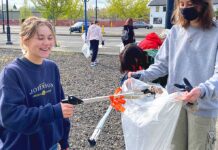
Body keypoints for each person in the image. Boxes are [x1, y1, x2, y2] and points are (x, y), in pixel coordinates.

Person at [128, 0, 218, 149]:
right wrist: (141, 76)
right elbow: (161, 65)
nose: (185, 8)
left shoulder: (215, 33)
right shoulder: (175, 31)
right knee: (174, 146)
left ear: (203, 4)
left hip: (204, 106)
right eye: (181, 4)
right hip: (175, 103)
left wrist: (202, 90)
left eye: (189, 3)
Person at [0, 16, 74, 150]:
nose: (47, 43)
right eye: (40, 38)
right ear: (25, 40)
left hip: (50, 144)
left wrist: (64, 140)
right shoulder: (12, 73)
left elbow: (61, 104)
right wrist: (53, 111)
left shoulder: (52, 67)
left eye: (50, 38)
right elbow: (10, 117)